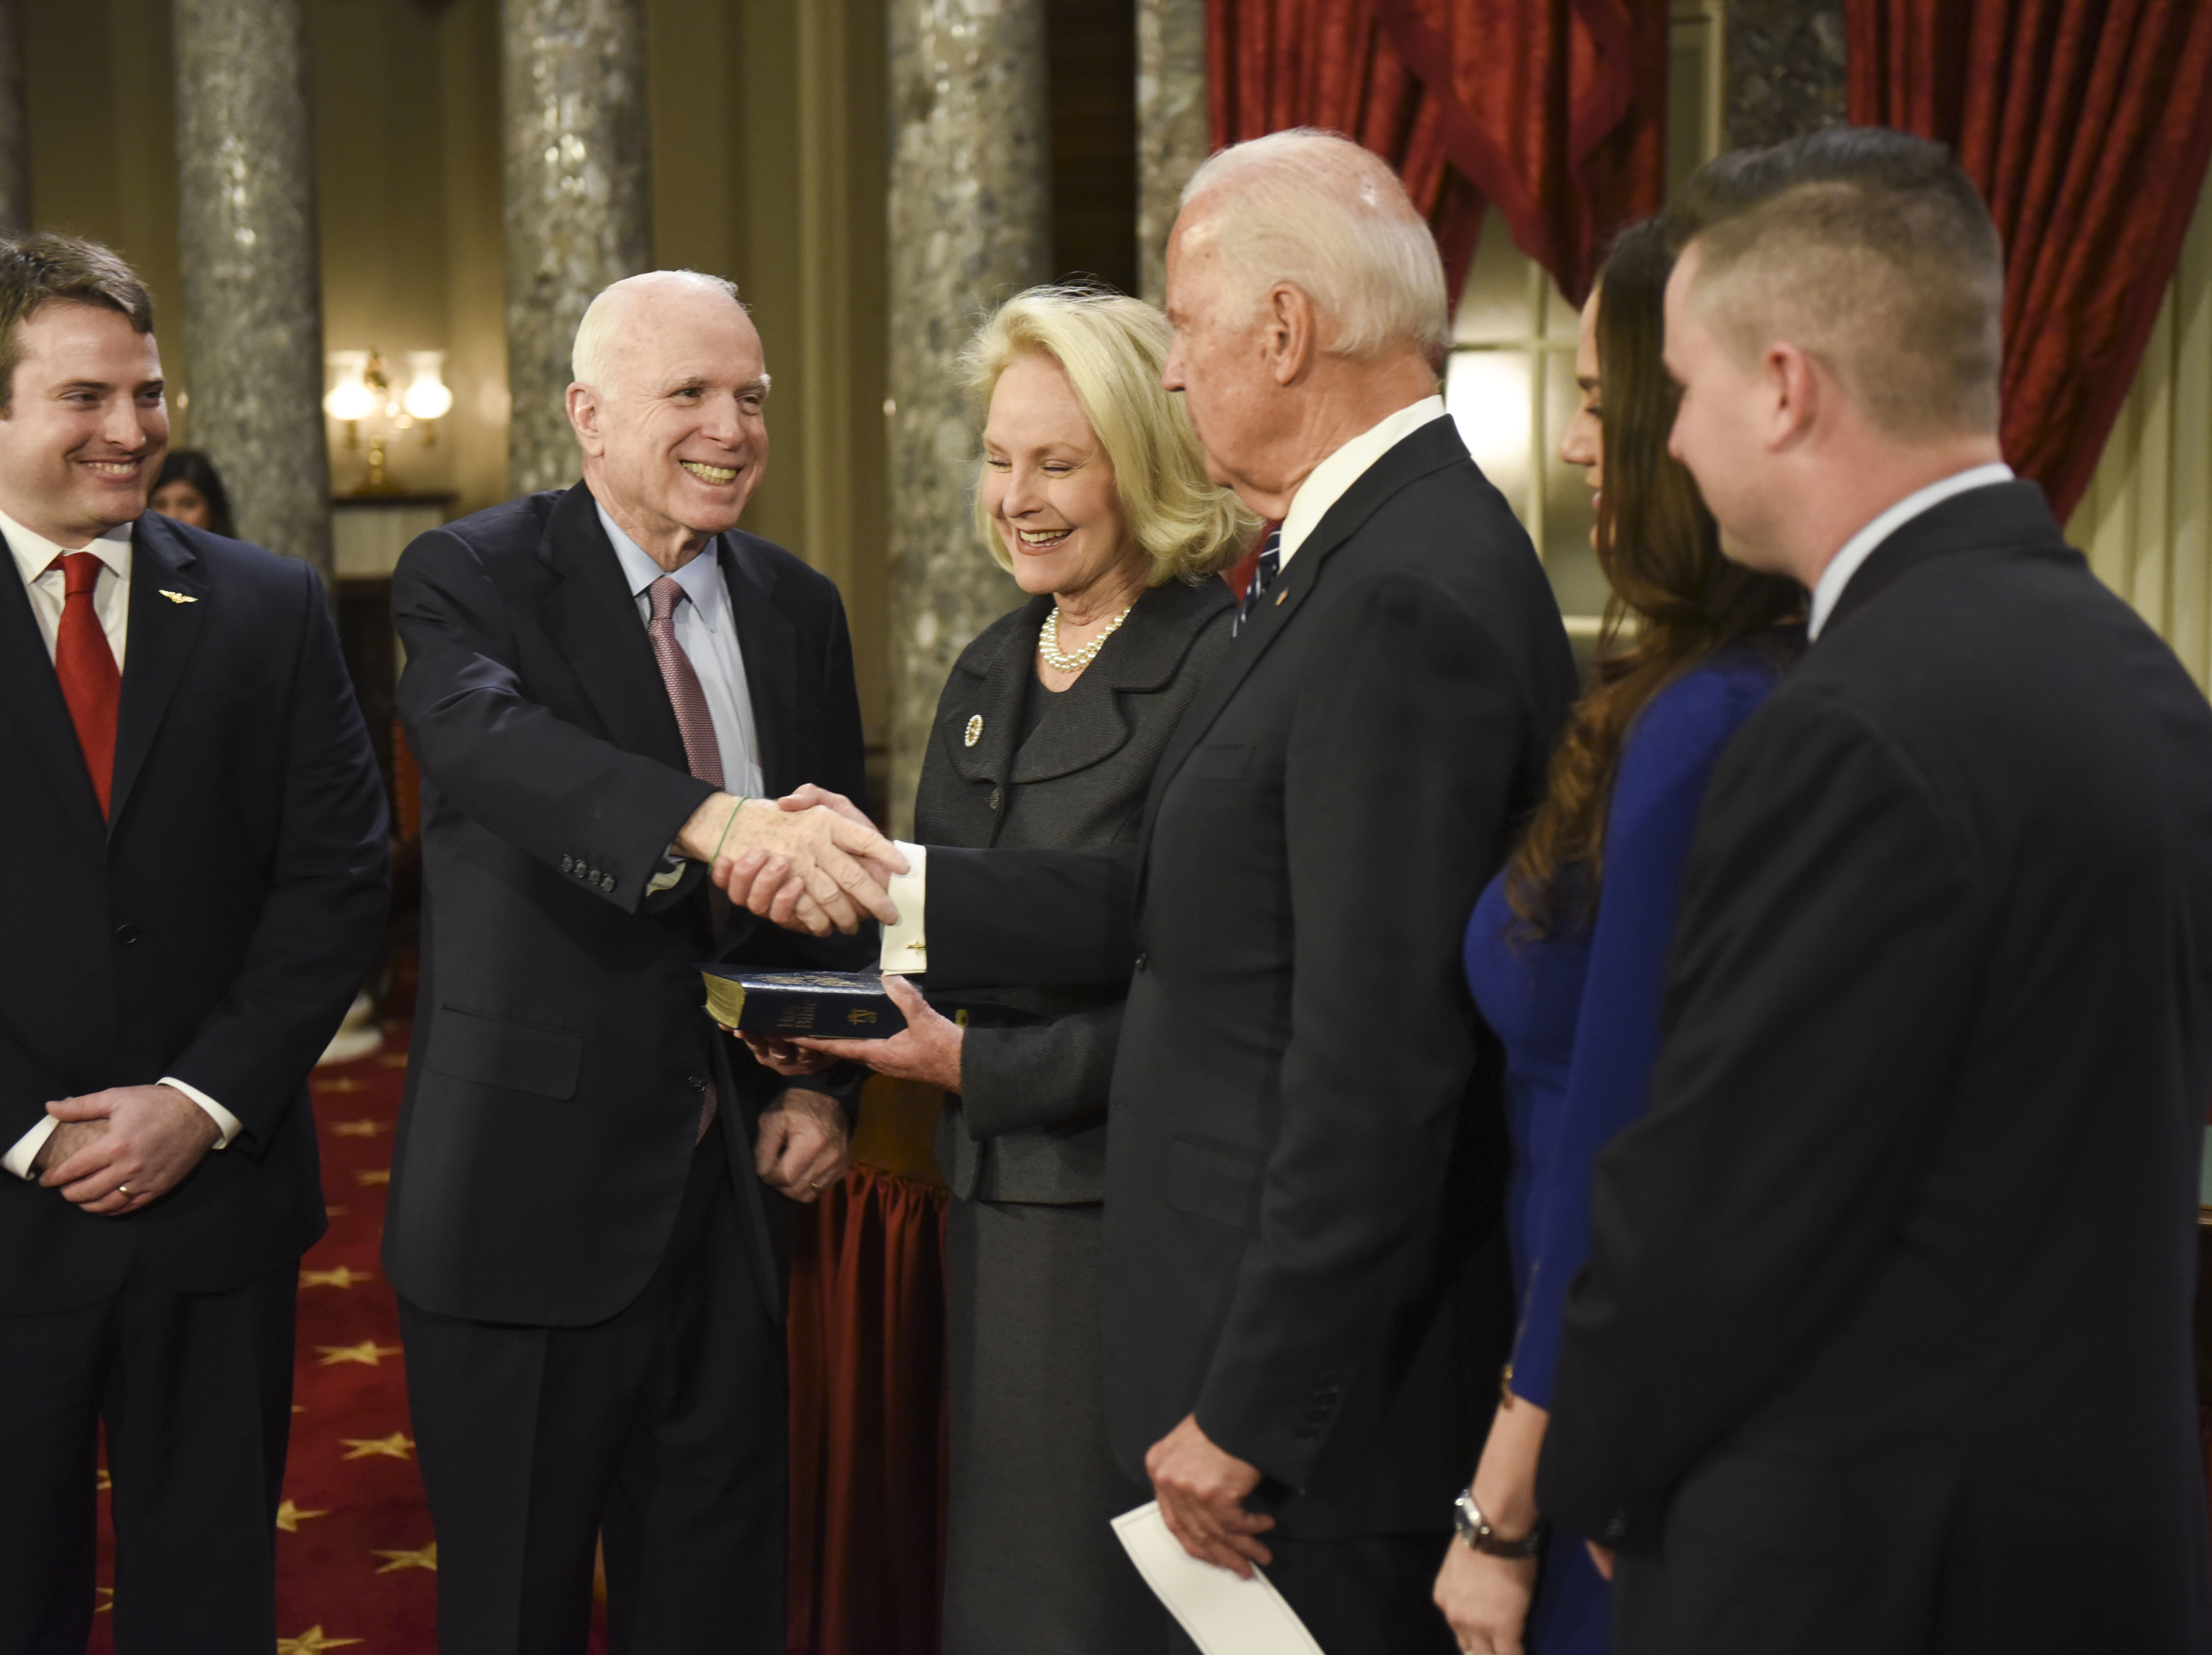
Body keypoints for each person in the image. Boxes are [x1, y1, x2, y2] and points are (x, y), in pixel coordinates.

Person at [729, 129, 1577, 1653]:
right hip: (1221, 1347)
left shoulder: (1392, 593)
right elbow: (1177, 914)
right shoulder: (1337, 565)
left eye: (1182, 328)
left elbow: (1373, 1055)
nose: (1174, 374)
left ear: (1280, 330)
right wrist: (899, 883)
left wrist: (1251, 1402)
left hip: (1305, 1421)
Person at [1535, 129, 2212, 1654]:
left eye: (1682, 388)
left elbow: (1719, 1210)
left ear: (1784, 386)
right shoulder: (2145, 689)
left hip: (1860, 1574)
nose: (1662, 442)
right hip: (2093, 1560)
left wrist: (1583, 1473)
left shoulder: (1846, 730)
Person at [0, 233, 390, 1652]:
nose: (134, 429)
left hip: (216, 1210)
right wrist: (35, 1132)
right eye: (87, 397)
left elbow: (337, 881)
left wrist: (196, 1104)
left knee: (211, 1604)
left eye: (146, 392)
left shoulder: (269, 608)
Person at [384, 269, 904, 1655]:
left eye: (751, 397)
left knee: (718, 1597)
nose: (731, 426)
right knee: (515, 1611)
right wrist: (710, 818)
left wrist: (822, 1093)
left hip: (736, 1193)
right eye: (690, 395)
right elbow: (498, 751)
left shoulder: (798, 605)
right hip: (525, 1199)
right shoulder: (470, 576)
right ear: (588, 415)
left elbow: (837, 876)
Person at [773, 285, 1254, 1654]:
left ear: (1141, 466)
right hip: (979, 1205)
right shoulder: (991, 661)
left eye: (1057, 461)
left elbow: (1195, 974)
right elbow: (939, 931)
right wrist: (815, 1017)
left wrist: (980, 1057)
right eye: (998, 459)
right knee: (998, 1590)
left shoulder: (1213, 663)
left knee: (1095, 1606)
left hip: (1127, 1218)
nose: (1017, 497)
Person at [1432, 220, 1804, 1655]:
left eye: (1595, 400)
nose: (1576, 443)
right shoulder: (1686, 686)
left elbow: (1620, 1147)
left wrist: (1499, 1509)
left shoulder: (1709, 721)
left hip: (1602, 1418)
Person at [149, 448, 237, 538]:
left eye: (188, 505)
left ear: (212, 509)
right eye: (160, 505)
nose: (172, 516)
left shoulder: (238, 551)